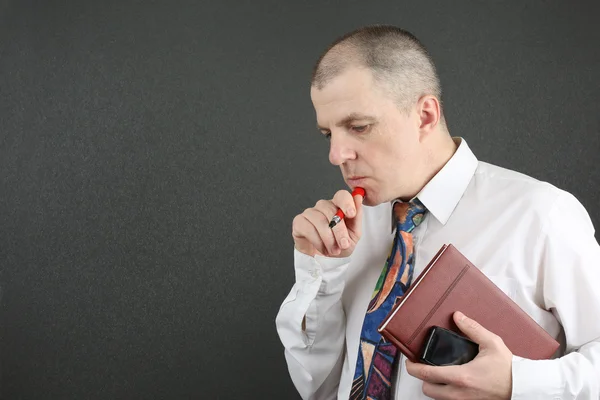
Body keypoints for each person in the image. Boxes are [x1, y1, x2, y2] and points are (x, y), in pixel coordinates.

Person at [275, 25, 600, 400]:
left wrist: (518, 383)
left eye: (359, 127)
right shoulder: (352, 230)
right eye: (328, 134)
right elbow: (320, 388)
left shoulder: (540, 214)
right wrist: (321, 270)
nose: (337, 155)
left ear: (425, 116)